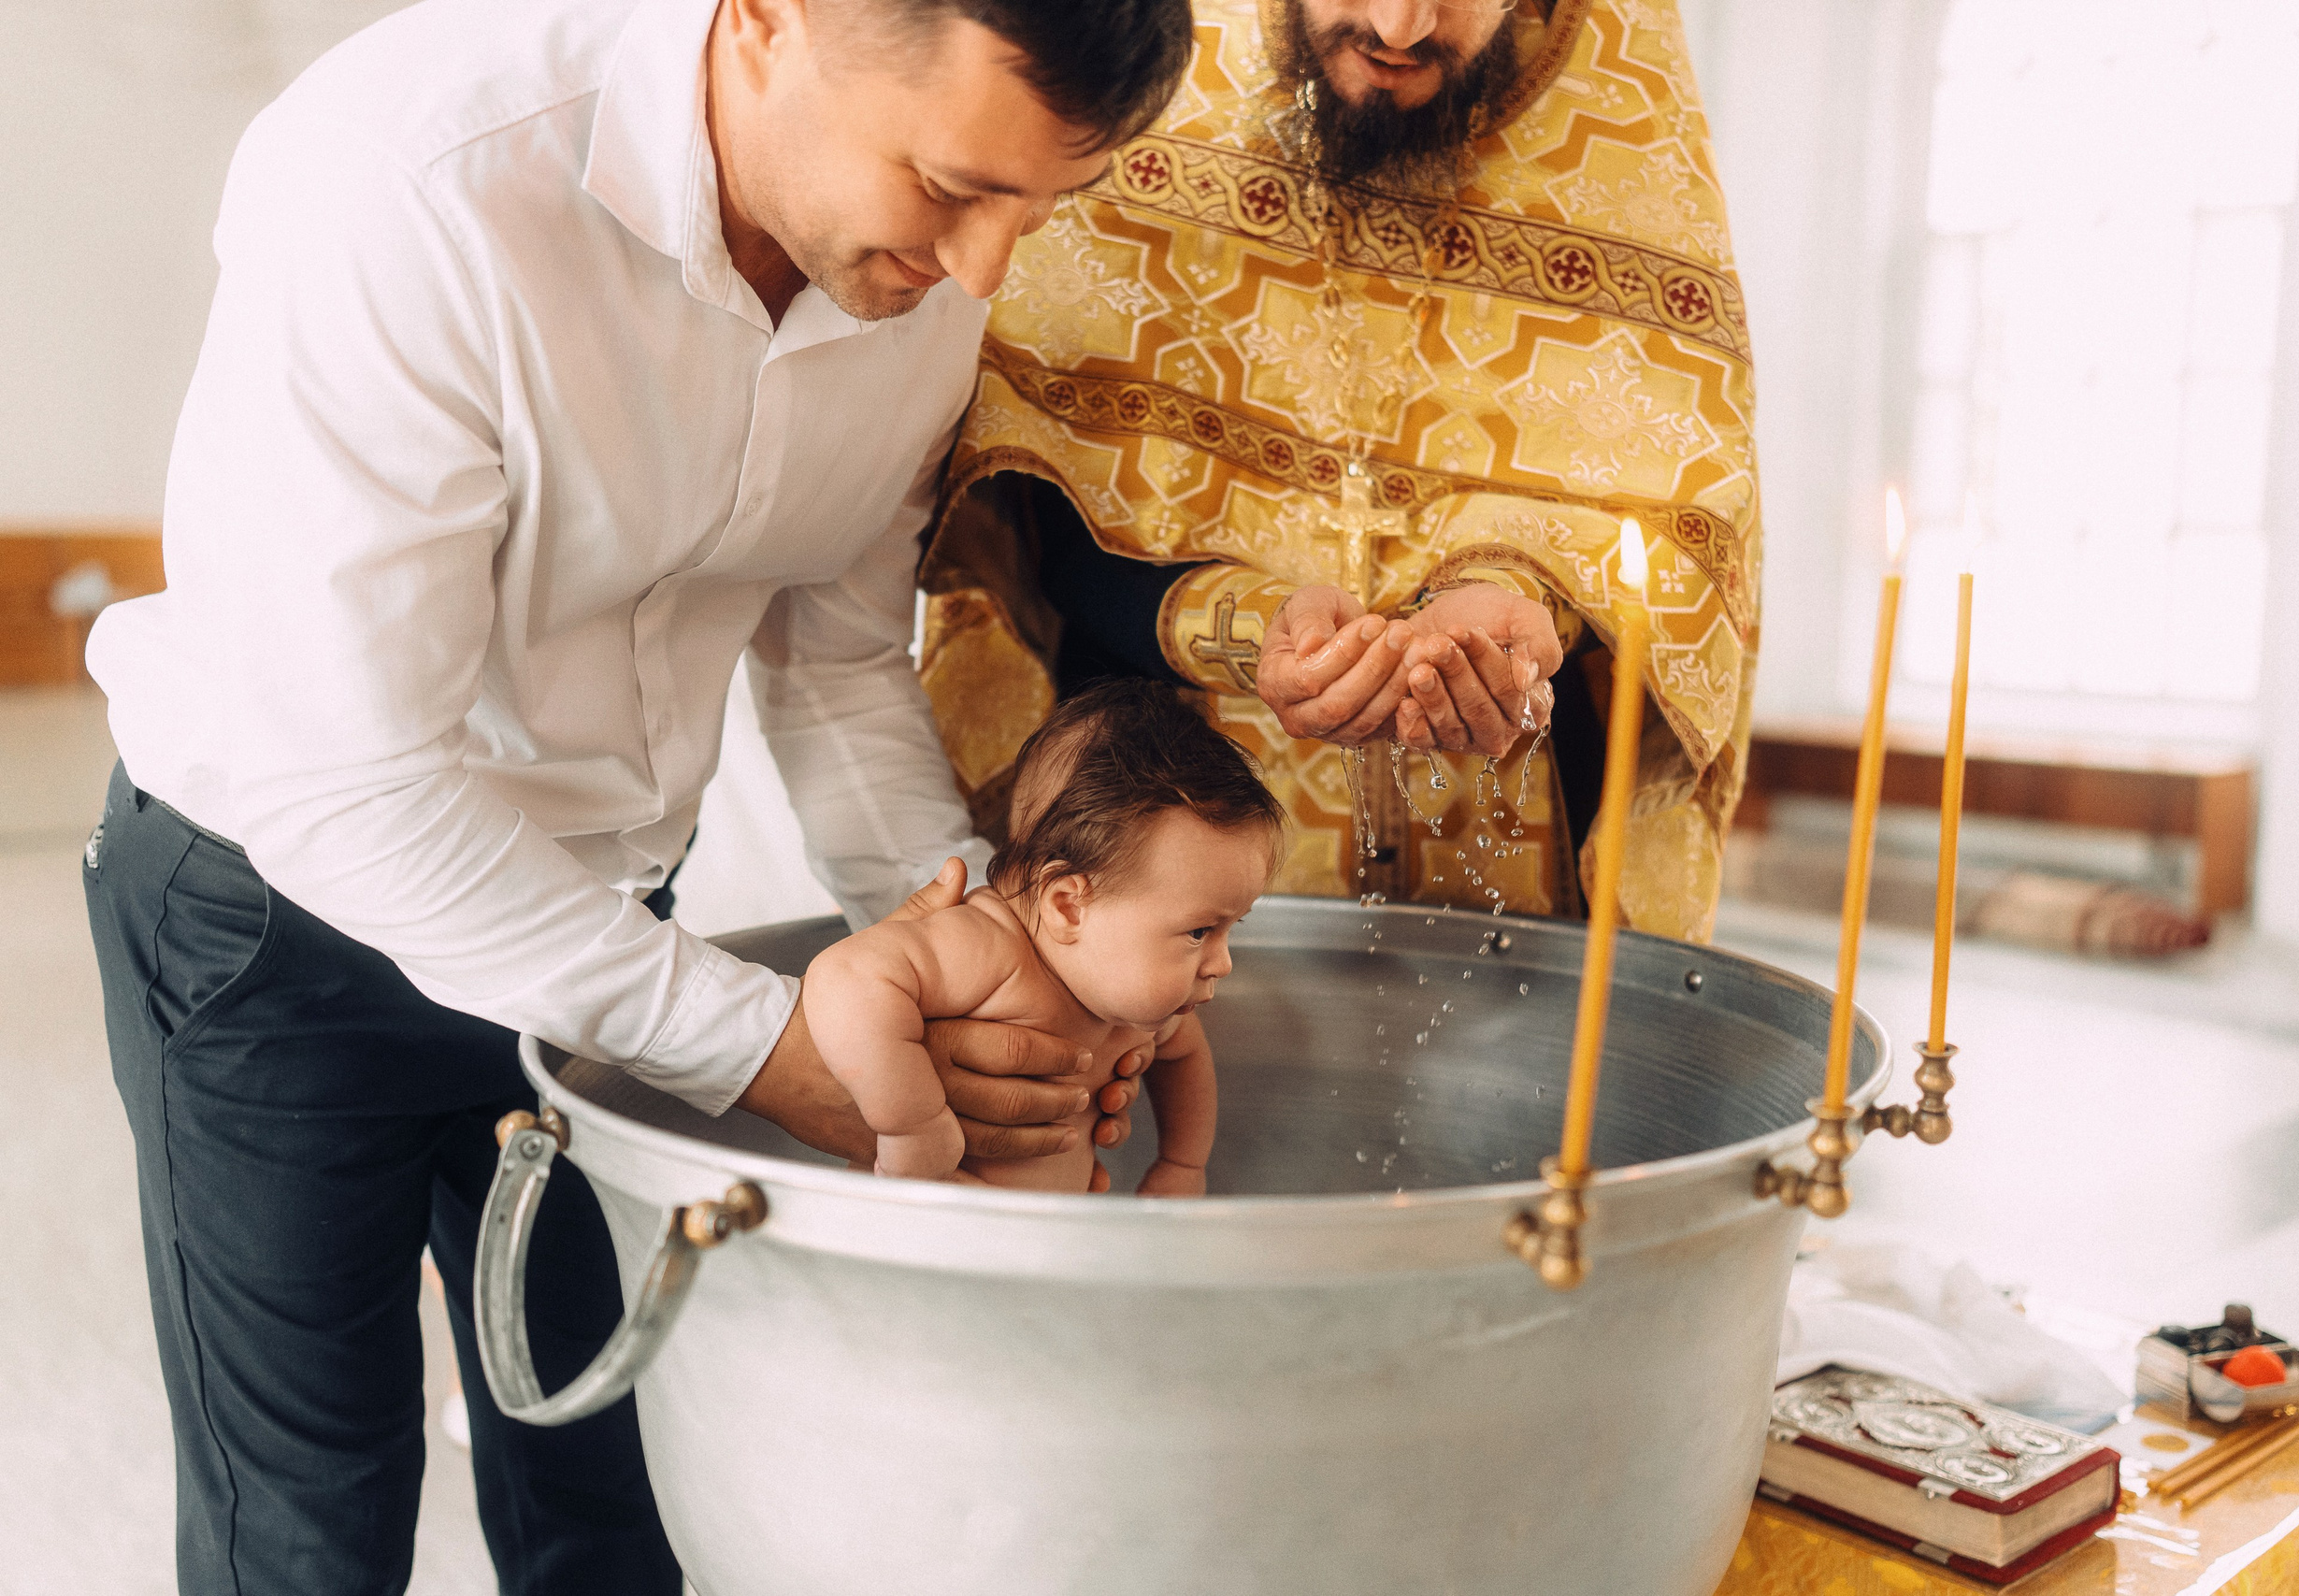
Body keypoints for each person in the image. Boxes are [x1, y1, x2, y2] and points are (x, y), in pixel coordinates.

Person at [79, 0, 1193, 1590]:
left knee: (623, 1489)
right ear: (768, 24)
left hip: (612, 918)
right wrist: (767, 1043)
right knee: (308, 1524)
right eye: (951, 184)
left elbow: (836, 664)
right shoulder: (403, 183)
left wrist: (991, 939)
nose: (989, 270)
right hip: (275, 922)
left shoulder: (925, 277)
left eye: (1040, 204)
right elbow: (348, 781)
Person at [919, 0, 1761, 941]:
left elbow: (1673, 521)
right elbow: (1029, 483)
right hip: (1143, 839)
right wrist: (1244, 630)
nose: (1399, 27)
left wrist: (1515, 601)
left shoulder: (1621, 106)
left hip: (1514, 863)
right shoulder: (1145, 61)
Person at [805, 680, 1280, 1193]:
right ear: (1069, 906)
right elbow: (843, 976)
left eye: (1232, 928)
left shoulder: (1138, 1005)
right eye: (1200, 932)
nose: (1222, 963)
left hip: (1045, 1245)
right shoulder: (988, 947)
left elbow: (1185, 1058)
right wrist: (912, 1123)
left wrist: (1183, 1164)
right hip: (926, 1234)